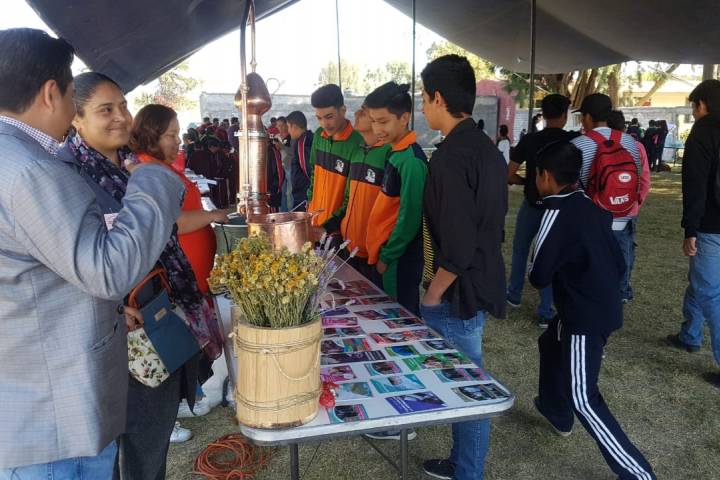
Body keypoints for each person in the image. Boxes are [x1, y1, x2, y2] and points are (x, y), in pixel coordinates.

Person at [0, 29, 184, 477]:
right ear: (52, 94)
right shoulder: (32, 170)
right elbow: (108, 270)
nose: (122, 118)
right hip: (53, 415)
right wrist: (153, 178)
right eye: (72, 93)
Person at [529, 140, 656, 480]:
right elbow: (617, 260)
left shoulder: (554, 211)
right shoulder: (589, 203)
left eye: (535, 174)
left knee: (583, 398)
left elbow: (538, 275)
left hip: (584, 317)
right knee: (550, 343)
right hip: (599, 305)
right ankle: (556, 411)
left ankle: (638, 473)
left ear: (545, 176)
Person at [118, 103, 224, 479]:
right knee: (165, 356)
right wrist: (216, 215)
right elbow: (172, 222)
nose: (178, 141)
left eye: (178, 133)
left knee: (179, 353)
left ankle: (180, 404)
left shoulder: (159, 166)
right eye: (171, 135)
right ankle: (171, 413)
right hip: (167, 287)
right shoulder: (145, 171)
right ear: (151, 134)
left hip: (186, 282)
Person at [419, 54, 508, 480]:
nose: (423, 107)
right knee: (465, 381)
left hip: (458, 291)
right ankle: (461, 463)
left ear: (438, 97)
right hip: (478, 281)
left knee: (469, 387)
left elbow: (459, 241)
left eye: (424, 98)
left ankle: (467, 471)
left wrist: (434, 292)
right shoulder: (485, 148)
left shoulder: (451, 157)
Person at [507, 94, 578, 327]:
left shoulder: (529, 140)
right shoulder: (573, 141)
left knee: (520, 249)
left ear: (544, 115)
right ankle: (546, 310)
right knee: (550, 255)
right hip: (558, 208)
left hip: (532, 204)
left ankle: (514, 294)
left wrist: (526, 182)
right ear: (564, 115)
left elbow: (509, 173)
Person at [667, 79, 720, 388]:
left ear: (702, 105)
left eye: (693, 106)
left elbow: (695, 185)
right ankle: (690, 334)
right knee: (701, 281)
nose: (693, 112)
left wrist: (690, 229)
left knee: (709, 291)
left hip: (711, 225)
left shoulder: (702, 132)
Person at [571, 93, 642, 303]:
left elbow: (572, 186)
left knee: (589, 273)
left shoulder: (577, 145)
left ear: (587, 117)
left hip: (591, 220)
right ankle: (615, 303)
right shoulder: (630, 143)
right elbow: (635, 178)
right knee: (617, 268)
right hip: (623, 217)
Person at [364, 82, 427, 316]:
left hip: (398, 260)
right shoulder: (395, 152)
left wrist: (387, 256)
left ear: (404, 118)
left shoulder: (411, 161)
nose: (377, 129)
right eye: (373, 121)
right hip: (385, 255)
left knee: (401, 317)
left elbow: (410, 218)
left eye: (383, 121)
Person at [338, 103, 391, 280]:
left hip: (374, 256)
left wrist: (384, 253)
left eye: (364, 111)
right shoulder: (357, 152)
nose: (356, 113)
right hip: (350, 247)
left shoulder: (389, 153)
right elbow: (348, 198)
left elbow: (395, 211)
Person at [307, 84, 364, 233]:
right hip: (314, 222)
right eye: (319, 118)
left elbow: (352, 196)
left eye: (329, 117)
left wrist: (329, 227)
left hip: (337, 229)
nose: (324, 124)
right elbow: (313, 174)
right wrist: (310, 203)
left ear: (343, 111)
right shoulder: (318, 136)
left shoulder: (358, 143)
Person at [608, 110, 652, 300]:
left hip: (602, 205)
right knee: (625, 249)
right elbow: (645, 180)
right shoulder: (637, 146)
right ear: (624, 127)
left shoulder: (599, 145)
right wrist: (637, 202)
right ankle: (623, 289)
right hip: (628, 207)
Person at [287, 110, 314, 210]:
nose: (288, 131)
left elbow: (309, 171)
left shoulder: (302, 143)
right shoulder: (310, 138)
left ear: (294, 127)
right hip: (304, 194)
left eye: (288, 127)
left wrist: (311, 195)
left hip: (304, 196)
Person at [274, 116, 293, 211]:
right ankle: (283, 212)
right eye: (278, 125)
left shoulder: (291, 136)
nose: (280, 127)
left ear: (286, 125)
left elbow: (293, 152)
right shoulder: (276, 137)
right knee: (282, 191)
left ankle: (291, 211)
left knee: (290, 192)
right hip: (280, 167)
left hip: (289, 166)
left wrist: (282, 147)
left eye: (282, 125)